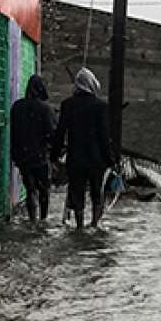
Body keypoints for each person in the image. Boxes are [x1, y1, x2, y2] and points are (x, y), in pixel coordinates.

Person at [53, 68, 115, 229]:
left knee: (76, 191)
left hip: (76, 158)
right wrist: (110, 159)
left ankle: (79, 226)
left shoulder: (68, 105)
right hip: (96, 159)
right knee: (97, 192)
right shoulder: (100, 106)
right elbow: (103, 135)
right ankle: (94, 224)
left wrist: (54, 156)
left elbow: (60, 132)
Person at [9, 74, 56, 222]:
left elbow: (14, 132)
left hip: (22, 155)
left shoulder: (17, 107)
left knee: (30, 189)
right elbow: (52, 133)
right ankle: (43, 219)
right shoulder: (46, 109)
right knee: (44, 189)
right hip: (40, 156)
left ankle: (32, 219)